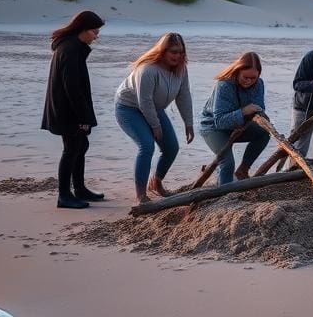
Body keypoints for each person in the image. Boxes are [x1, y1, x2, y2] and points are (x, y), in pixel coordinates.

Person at [115, 32, 194, 205]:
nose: (177, 56)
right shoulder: (148, 69)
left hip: (154, 108)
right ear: (163, 51)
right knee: (147, 145)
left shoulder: (181, 69)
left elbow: (184, 95)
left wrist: (188, 123)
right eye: (173, 52)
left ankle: (156, 182)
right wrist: (155, 126)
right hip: (129, 108)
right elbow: (144, 101)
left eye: (181, 52)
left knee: (171, 147)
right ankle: (141, 195)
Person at [41, 10, 105, 209]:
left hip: (66, 108)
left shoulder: (72, 46)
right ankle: (64, 195)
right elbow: (72, 88)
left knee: (80, 146)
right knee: (71, 149)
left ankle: (79, 188)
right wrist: (83, 117)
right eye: (94, 31)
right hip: (66, 110)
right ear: (83, 29)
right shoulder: (70, 49)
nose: (97, 36)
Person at [199, 51, 270, 185]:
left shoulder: (259, 83)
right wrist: (243, 111)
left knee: (264, 133)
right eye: (245, 77)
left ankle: (243, 170)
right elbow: (219, 121)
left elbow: (259, 108)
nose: (249, 81)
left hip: (239, 124)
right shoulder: (224, 85)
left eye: (253, 78)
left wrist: (263, 116)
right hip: (213, 127)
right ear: (237, 71)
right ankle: (224, 196)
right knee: (227, 163)